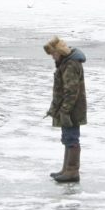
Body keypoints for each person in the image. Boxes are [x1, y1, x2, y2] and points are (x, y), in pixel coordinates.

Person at [43, 36, 87, 183]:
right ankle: (66, 169)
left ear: (59, 52)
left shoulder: (70, 65)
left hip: (71, 110)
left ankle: (72, 171)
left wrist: (65, 110)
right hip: (68, 109)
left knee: (71, 138)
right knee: (67, 137)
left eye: (53, 54)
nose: (52, 58)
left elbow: (71, 91)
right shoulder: (65, 63)